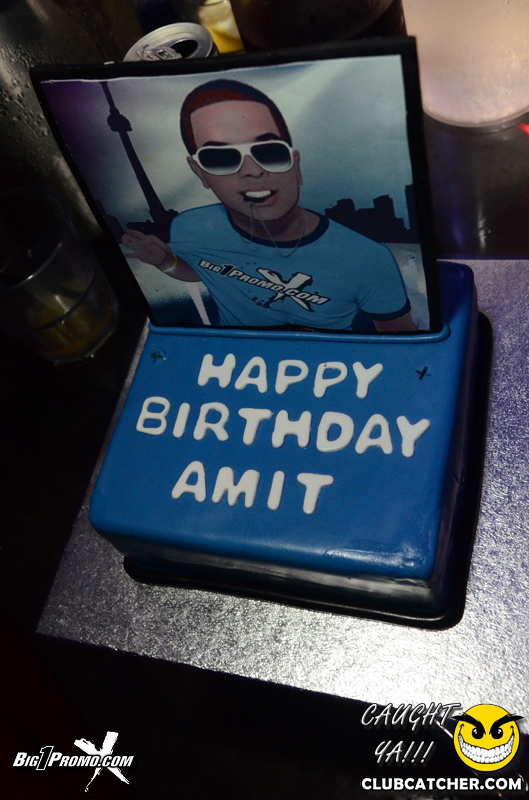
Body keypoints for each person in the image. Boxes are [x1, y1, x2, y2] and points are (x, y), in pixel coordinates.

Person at [122, 78, 416, 332]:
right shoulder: (190, 228)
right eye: (220, 158)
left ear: (295, 165)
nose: (252, 170)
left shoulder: (368, 259)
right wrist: (165, 262)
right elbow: (202, 271)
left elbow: (400, 340)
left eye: (269, 151)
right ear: (200, 173)